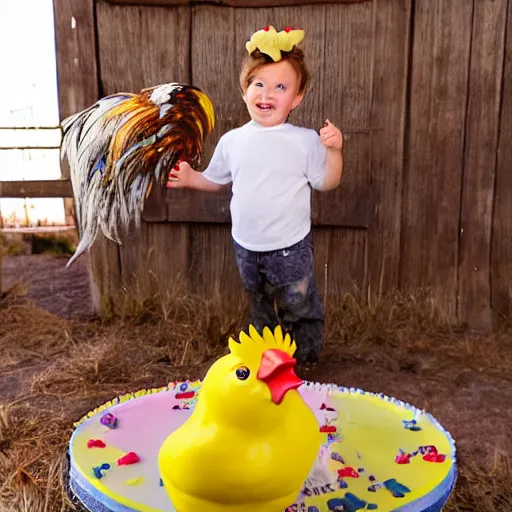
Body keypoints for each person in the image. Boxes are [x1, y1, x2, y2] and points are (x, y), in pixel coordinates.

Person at [167, 25, 343, 364]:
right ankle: (266, 361)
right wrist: (193, 178)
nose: (267, 94)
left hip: (290, 246)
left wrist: (334, 152)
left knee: (298, 304)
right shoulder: (233, 141)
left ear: (297, 97)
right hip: (247, 247)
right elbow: (218, 181)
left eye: (280, 86)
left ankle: (304, 362)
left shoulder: (305, 140)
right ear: (245, 90)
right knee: (260, 305)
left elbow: (327, 182)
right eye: (258, 83)